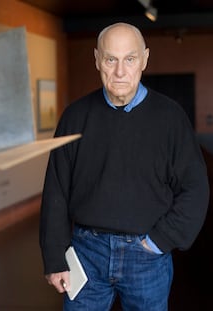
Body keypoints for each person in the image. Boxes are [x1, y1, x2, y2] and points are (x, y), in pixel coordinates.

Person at [39, 22, 210, 311]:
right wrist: (55, 258)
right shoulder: (75, 116)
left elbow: (195, 188)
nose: (120, 71)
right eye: (110, 59)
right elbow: (56, 191)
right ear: (97, 60)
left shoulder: (170, 118)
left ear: (144, 59)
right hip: (86, 253)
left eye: (129, 59)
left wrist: (160, 240)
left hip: (147, 256)